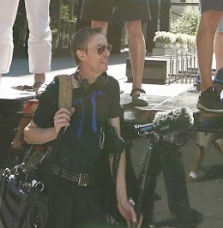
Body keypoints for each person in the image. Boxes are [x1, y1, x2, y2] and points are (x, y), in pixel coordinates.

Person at [24, 27, 139, 228]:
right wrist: (54, 131)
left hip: (90, 190)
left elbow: (117, 146)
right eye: (100, 48)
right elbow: (28, 134)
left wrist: (122, 198)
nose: (107, 53)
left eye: (108, 48)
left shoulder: (110, 87)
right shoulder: (60, 88)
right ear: (81, 54)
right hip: (56, 190)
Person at [185, 115, 223, 184]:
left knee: (200, 146)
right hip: (216, 119)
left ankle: (193, 174)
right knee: (219, 143)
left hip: (208, 120)